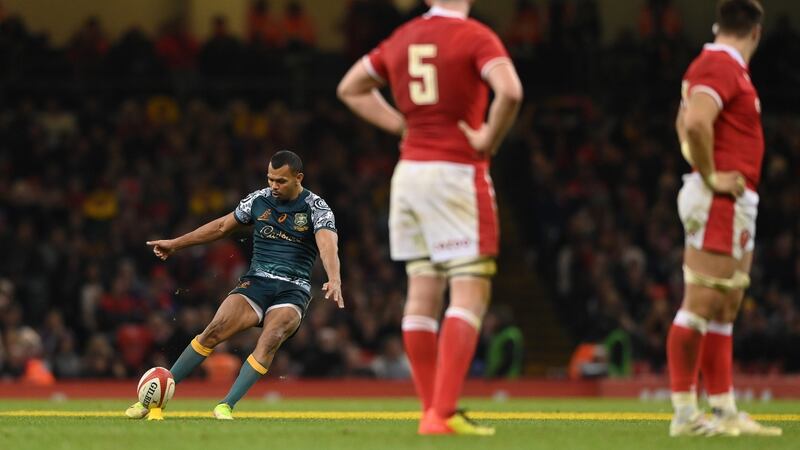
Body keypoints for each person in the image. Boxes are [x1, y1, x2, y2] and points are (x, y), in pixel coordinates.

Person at [337, 0, 522, 436]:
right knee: (469, 290)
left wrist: (403, 126)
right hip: (456, 173)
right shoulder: (475, 35)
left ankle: (430, 411)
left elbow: (350, 87)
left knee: (421, 292)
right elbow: (510, 91)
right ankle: (444, 410)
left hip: (409, 174)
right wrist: (489, 137)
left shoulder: (401, 38)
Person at [125, 150, 343, 420]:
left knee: (271, 338)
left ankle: (226, 404)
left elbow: (327, 244)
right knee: (214, 330)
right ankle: (152, 402)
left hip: (293, 288)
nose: (273, 186)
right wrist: (175, 243)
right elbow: (220, 228)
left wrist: (334, 277)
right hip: (257, 282)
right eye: (270, 179)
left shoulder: (317, 207)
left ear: (299, 178)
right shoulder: (258, 200)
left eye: (281, 181)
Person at [668, 0, 780, 437]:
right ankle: (682, 413)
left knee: (725, 305)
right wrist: (709, 174)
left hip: (735, 202)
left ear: (720, 24)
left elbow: (685, 121)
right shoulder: (719, 64)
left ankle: (723, 408)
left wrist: (699, 162)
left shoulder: (720, 67)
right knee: (699, 305)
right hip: (720, 201)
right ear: (756, 33)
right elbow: (695, 121)